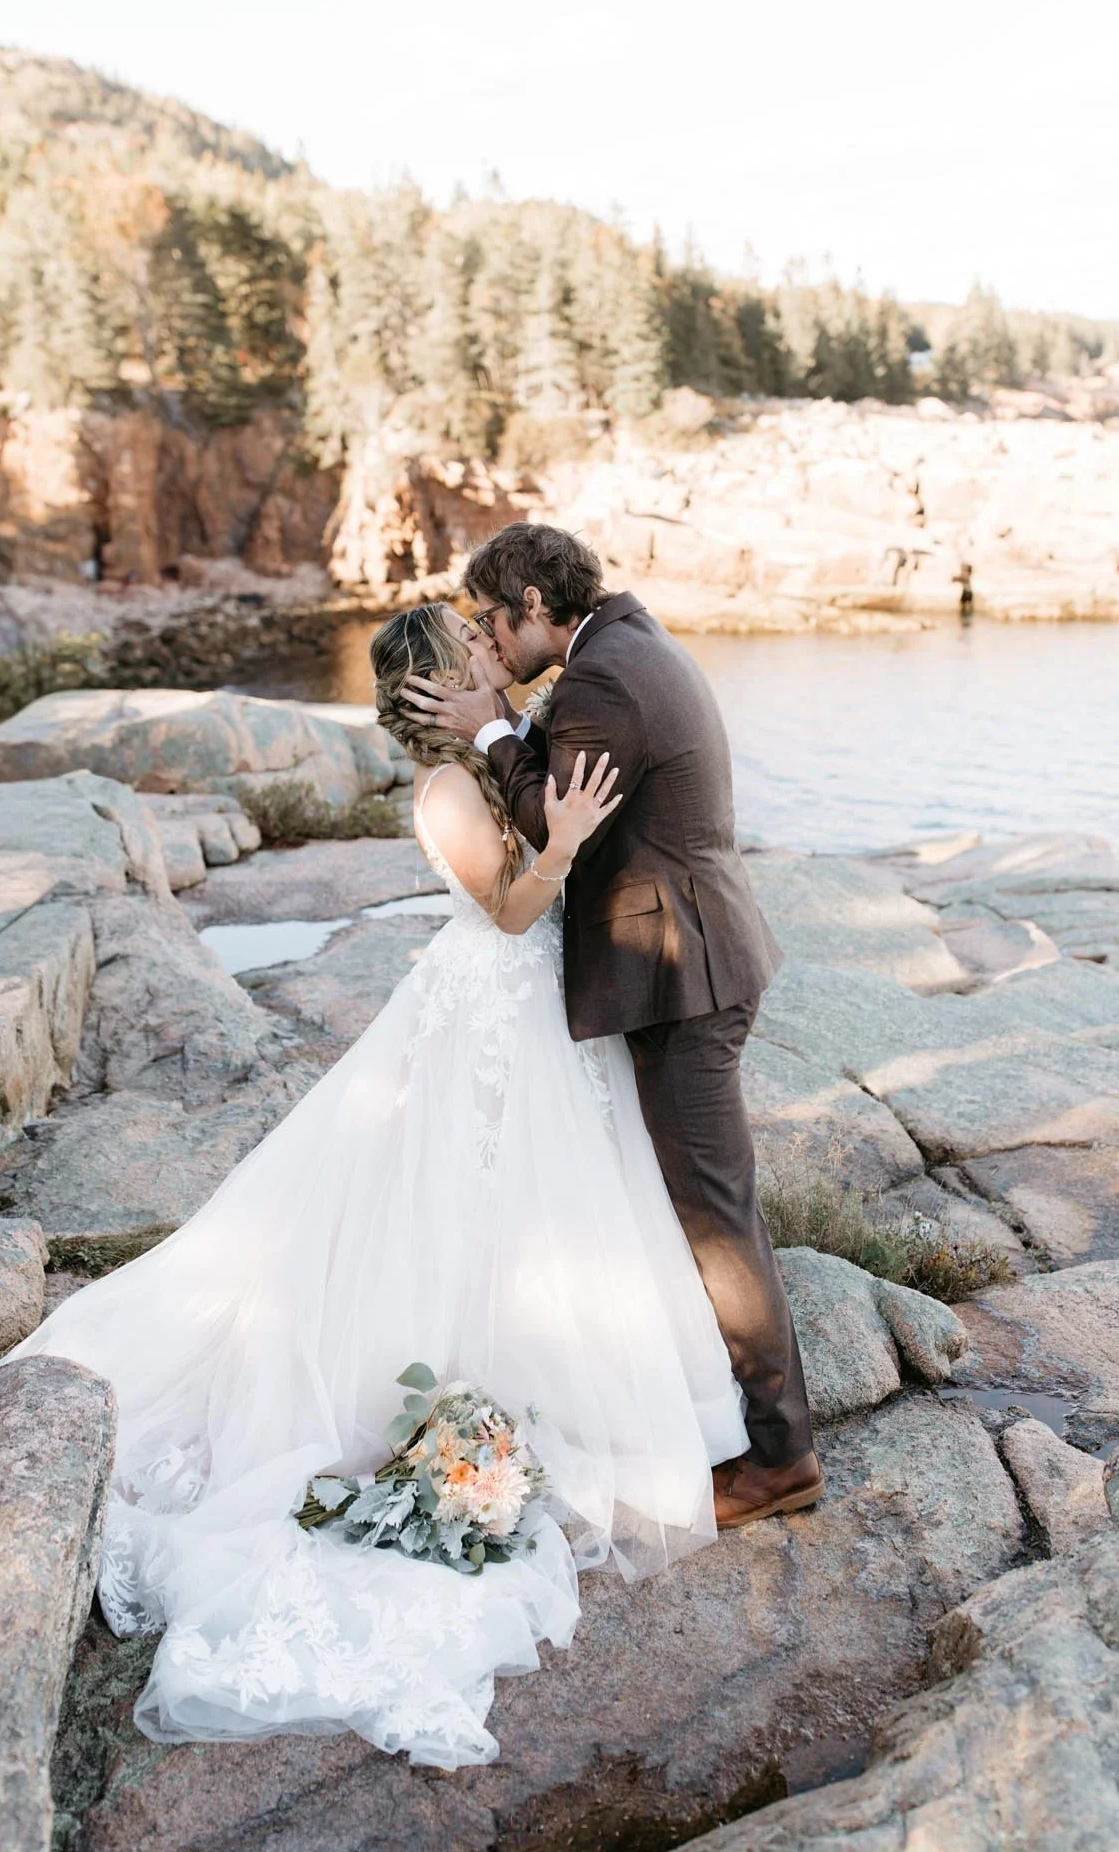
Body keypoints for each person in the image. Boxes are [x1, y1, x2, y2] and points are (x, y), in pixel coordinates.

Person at [3, 602, 756, 1769]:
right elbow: (508, 913)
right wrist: (557, 846)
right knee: (451, 1207)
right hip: (488, 1017)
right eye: (464, 649)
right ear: (432, 684)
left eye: (481, 642)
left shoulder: (499, 751)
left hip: (544, 1029)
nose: (484, 654)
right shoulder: (443, 795)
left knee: (556, 1204)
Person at [401, 524, 818, 1530]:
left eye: (498, 622)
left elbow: (554, 825)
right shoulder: (621, 647)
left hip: (680, 978)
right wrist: (503, 716)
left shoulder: (602, 682)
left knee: (716, 1220)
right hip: (689, 961)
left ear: (539, 603)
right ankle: (747, 1424)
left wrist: (495, 732)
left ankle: (780, 1458)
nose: (493, 643)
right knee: (706, 1206)